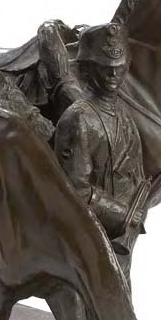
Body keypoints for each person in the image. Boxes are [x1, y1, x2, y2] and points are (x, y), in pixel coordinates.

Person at [53, 22, 148, 285]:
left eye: (119, 67)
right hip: (87, 239)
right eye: (105, 68)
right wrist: (122, 214)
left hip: (120, 240)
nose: (113, 75)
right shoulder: (78, 119)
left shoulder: (124, 116)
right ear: (86, 69)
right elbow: (75, 190)